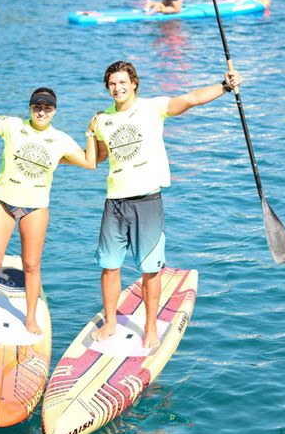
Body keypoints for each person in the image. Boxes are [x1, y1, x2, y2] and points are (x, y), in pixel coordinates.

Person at [90, 60, 243, 349]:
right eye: (112, 84)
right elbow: (97, 157)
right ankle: (111, 322)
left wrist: (225, 86)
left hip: (147, 199)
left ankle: (149, 329)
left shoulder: (153, 107)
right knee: (110, 267)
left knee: (150, 269)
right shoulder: (102, 120)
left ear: (134, 83)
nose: (117, 88)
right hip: (114, 201)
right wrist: (79, 140)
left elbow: (190, 99)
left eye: (123, 82)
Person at [0, 62, 97, 334]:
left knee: (32, 264)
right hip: (2, 200)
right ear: (30, 108)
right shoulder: (12, 126)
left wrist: (92, 133)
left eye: (47, 107)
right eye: (37, 106)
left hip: (35, 208)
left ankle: (30, 318)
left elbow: (89, 162)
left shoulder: (60, 140)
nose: (41, 111)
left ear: (54, 111)